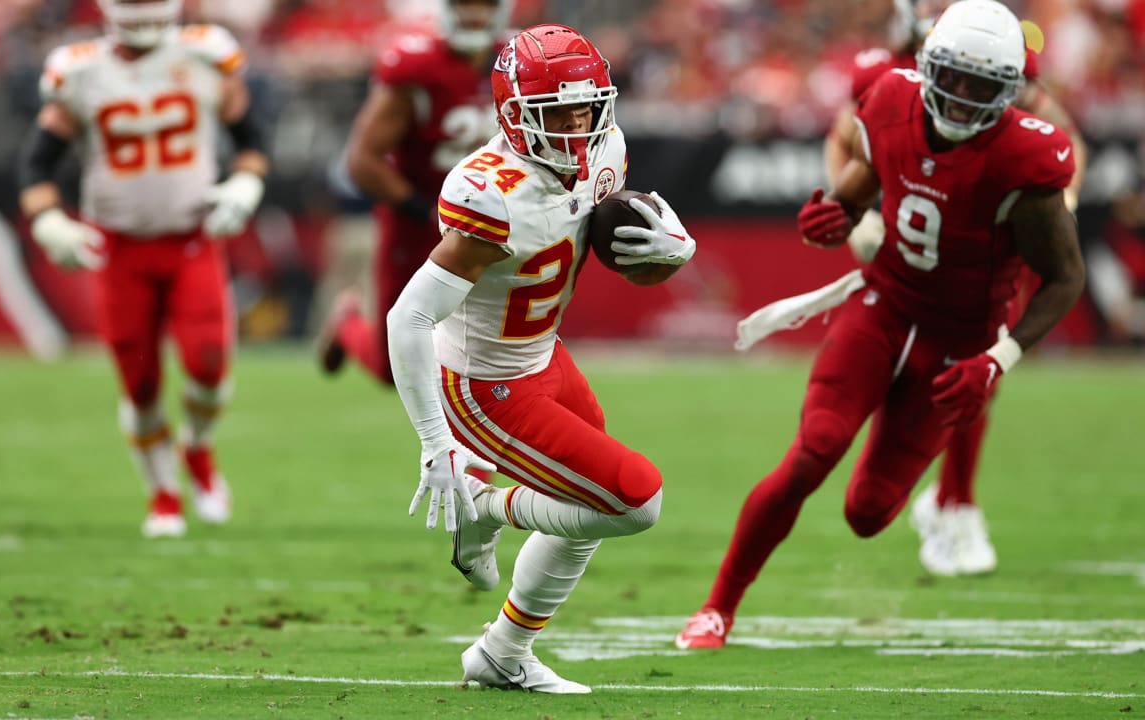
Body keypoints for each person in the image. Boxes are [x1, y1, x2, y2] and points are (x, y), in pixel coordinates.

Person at [676, 0, 1084, 649]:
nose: (963, 97)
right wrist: (839, 210)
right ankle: (716, 609)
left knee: (867, 515)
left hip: (958, 343)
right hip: (884, 306)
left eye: (983, 87)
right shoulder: (891, 99)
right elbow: (866, 178)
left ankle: (937, 502)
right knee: (812, 453)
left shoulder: (1023, 157)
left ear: (1010, 93)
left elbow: (1066, 277)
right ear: (928, 69)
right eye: (953, 78)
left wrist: (998, 358)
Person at [387, 24, 695, 692]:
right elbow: (408, 316)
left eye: (588, 107)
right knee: (634, 501)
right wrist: (435, 444)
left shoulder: (604, 151)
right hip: (484, 386)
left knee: (587, 505)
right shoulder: (488, 190)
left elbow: (615, 256)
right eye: (558, 112)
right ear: (514, 114)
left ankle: (503, 655)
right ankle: (483, 503)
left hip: (545, 357)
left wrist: (668, 254)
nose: (577, 124)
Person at [823, 0, 1087, 577]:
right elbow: (844, 141)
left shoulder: (997, 59)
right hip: (901, 246)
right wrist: (856, 211)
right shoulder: (887, 78)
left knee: (972, 370)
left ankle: (955, 501)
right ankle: (941, 499)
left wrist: (1051, 210)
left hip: (970, 243)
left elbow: (1061, 131)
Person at [18, 0, 270, 538]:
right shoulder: (80, 71)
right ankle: (163, 494)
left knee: (207, 367)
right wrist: (46, 220)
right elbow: (37, 161)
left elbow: (252, 139)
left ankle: (198, 450)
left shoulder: (207, 56)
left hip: (190, 240)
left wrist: (248, 182)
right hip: (119, 250)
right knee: (140, 383)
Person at [319, 0, 512, 385]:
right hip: (420, 217)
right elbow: (362, 160)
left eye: (486, 5)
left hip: (491, 220)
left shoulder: (515, 63)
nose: (475, 14)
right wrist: (421, 208)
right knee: (393, 367)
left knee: (496, 345)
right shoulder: (417, 67)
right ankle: (348, 325)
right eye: (465, 4)